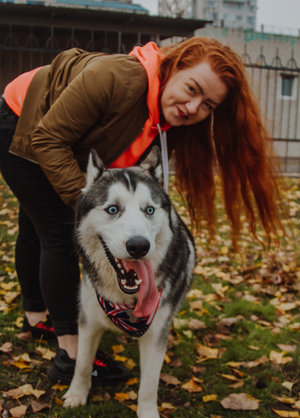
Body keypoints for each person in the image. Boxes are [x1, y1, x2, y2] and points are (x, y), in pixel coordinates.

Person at [0, 37, 283, 384]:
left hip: (53, 133)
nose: (193, 107)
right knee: (58, 231)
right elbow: (47, 139)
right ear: (173, 67)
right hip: (19, 118)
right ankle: (70, 355)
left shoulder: (164, 117)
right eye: (192, 88)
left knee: (35, 225)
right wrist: (88, 202)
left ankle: (36, 318)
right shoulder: (117, 78)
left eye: (208, 105)